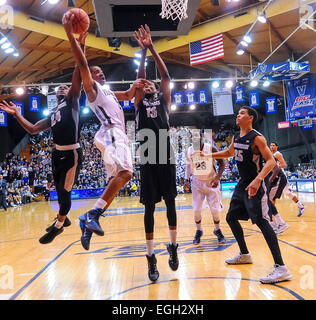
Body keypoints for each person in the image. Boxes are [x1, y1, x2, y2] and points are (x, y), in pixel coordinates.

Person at [63, 12, 149, 250]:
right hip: (111, 132)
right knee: (127, 173)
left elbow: (130, 96)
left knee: (116, 180)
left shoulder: (109, 92)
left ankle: (89, 220)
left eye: (101, 71)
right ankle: (93, 214)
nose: (99, 73)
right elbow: (81, 64)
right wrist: (76, 39)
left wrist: (134, 84)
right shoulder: (93, 91)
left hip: (111, 134)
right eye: (95, 71)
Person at [0, 33, 87, 243]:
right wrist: (18, 114)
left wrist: (80, 44)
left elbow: (79, 68)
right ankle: (63, 218)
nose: (63, 88)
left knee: (65, 195)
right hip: (57, 154)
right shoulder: (54, 112)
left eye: (66, 86)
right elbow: (32, 130)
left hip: (71, 153)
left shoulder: (73, 101)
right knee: (58, 191)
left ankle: (58, 226)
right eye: (60, 87)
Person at [200, 107, 292, 284]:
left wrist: (258, 180)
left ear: (250, 118)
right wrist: (208, 155)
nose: (238, 115)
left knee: (262, 221)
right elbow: (228, 153)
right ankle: (244, 254)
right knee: (231, 217)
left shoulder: (257, 137)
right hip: (243, 183)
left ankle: (281, 268)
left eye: (242, 113)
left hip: (256, 184)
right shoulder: (237, 136)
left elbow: (271, 161)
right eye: (238, 113)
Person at [133, 25, 179, 282]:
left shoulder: (164, 99)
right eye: (145, 84)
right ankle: (151, 257)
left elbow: (166, 74)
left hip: (164, 146)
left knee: (171, 202)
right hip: (147, 150)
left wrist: (151, 47)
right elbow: (141, 79)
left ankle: (173, 247)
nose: (148, 84)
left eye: (151, 84)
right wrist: (141, 55)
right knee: (149, 207)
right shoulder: (139, 101)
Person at [184, 130, 226, 245]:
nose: (195, 138)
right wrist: (186, 180)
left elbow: (222, 163)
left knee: (215, 211)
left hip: (211, 181)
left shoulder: (210, 148)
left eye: (197, 136)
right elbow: (188, 167)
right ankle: (199, 231)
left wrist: (217, 178)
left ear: (201, 137)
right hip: (197, 183)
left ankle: (217, 230)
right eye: (193, 137)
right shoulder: (189, 150)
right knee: (196, 210)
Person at [270, 142, 305, 217]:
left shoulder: (277, 154)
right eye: (271, 145)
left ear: (277, 147)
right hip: (277, 176)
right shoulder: (271, 155)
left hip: (280, 176)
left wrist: (275, 168)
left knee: (273, 194)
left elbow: (284, 165)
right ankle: (301, 206)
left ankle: (272, 214)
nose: (272, 147)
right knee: (287, 193)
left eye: (273, 145)